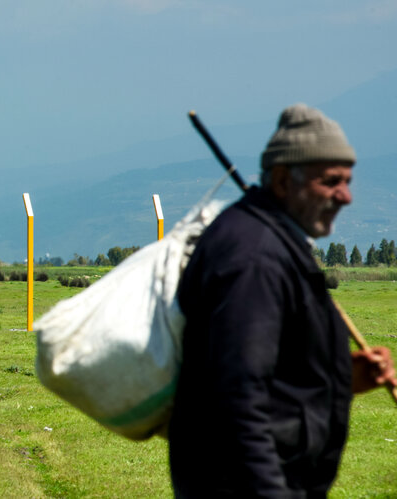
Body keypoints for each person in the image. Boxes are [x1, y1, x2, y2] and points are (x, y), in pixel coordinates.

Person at [169, 104, 396, 498]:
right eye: (330, 182)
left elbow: (276, 373)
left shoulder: (276, 243)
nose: (346, 196)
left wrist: (339, 376)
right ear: (281, 181)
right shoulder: (254, 257)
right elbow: (237, 399)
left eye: (347, 181)